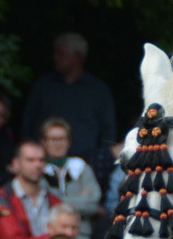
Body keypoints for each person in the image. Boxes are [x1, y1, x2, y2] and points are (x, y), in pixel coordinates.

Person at [22, 33, 117, 164]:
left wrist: (102, 160)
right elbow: (28, 123)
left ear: (78, 56)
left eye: (60, 53)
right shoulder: (44, 86)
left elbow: (108, 132)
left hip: (87, 164)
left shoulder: (98, 90)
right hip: (44, 163)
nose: (55, 57)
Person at [40, 118, 102, 239]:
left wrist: (58, 201)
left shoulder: (81, 167)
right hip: (49, 235)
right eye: (53, 140)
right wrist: (81, 199)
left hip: (82, 236)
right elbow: (45, 204)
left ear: (69, 142)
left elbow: (93, 204)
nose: (58, 144)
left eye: (62, 139)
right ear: (44, 143)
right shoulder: (39, 170)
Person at [0, 140, 62, 239]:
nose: (37, 165)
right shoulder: (2, 198)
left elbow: (65, 238)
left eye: (41, 160)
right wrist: (51, 238)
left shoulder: (54, 200)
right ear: (16, 164)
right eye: (30, 160)